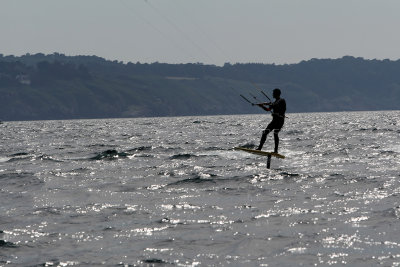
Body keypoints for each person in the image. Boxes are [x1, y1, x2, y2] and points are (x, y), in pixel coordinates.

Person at [255, 88, 286, 153]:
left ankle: (275, 151)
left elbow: (277, 104)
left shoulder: (282, 100)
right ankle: (259, 148)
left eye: (273, 93)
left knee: (275, 133)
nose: (272, 94)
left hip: (279, 121)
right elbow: (268, 110)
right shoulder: (274, 102)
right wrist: (262, 106)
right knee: (265, 133)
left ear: (276, 94)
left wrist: (268, 103)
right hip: (275, 120)